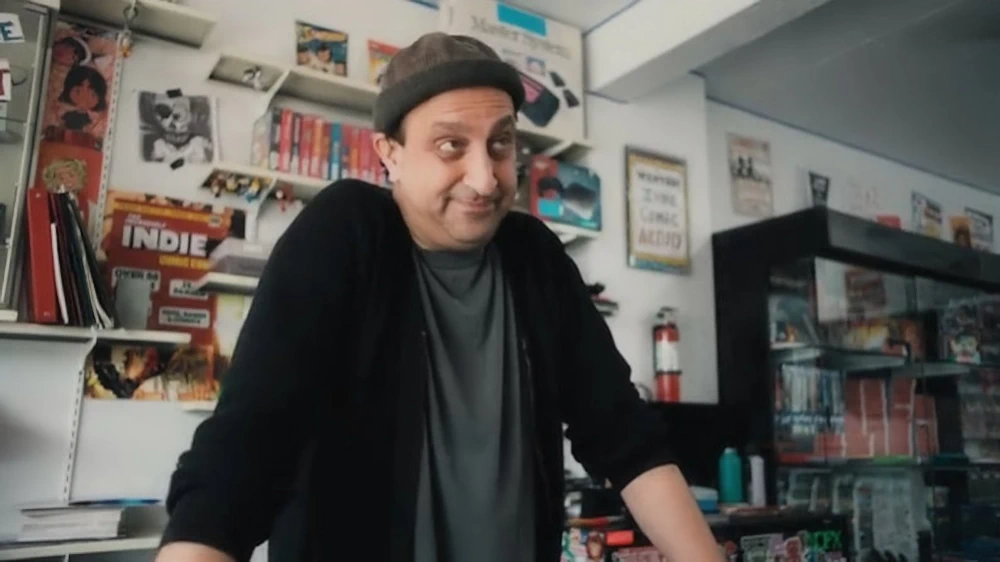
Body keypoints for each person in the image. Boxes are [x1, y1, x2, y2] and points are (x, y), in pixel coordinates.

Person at [156, 32, 721, 562]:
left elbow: (623, 434)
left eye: (500, 143)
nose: (485, 178)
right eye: (451, 145)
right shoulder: (345, 233)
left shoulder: (536, 257)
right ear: (391, 153)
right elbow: (245, 450)